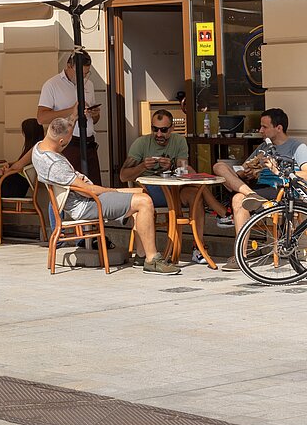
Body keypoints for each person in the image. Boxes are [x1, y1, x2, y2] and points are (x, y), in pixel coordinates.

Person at [33, 116, 178, 274]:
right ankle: (152, 260)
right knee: (144, 201)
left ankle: (141, 256)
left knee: (141, 193)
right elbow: (89, 192)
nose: (69, 143)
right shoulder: (56, 164)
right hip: (85, 204)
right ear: (61, 141)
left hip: (84, 198)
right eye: (69, 140)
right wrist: (113, 191)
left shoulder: (38, 149)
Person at [121, 109, 229, 262]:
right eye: (155, 129)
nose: (159, 134)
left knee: (196, 195)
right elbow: (123, 175)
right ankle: (222, 212)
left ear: (171, 128)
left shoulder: (178, 141)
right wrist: (143, 166)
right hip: (150, 192)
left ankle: (198, 248)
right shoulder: (141, 143)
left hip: (174, 189)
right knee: (196, 184)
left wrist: (171, 166)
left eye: (163, 130)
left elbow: (183, 169)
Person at [210, 108, 307, 267]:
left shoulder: (296, 147)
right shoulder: (263, 147)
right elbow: (242, 170)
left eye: (264, 127)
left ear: (279, 128)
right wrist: (247, 172)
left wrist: (277, 170)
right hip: (258, 188)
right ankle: (250, 195)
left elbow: (306, 174)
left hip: (280, 189)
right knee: (219, 167)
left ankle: (239, 256)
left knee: (238, 199)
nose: (260, 130)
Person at [38, 51, 103, 184]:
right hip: (68, 144)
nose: (83, 77)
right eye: (80, 73)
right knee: (74, 188)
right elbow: (41, 118)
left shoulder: (89, 84)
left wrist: (95, 114)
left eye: (86, 73)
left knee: (94, 187)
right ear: (69, 66)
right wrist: (71, 111)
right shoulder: (52, 85)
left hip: (89, 143)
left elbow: (95, 121)